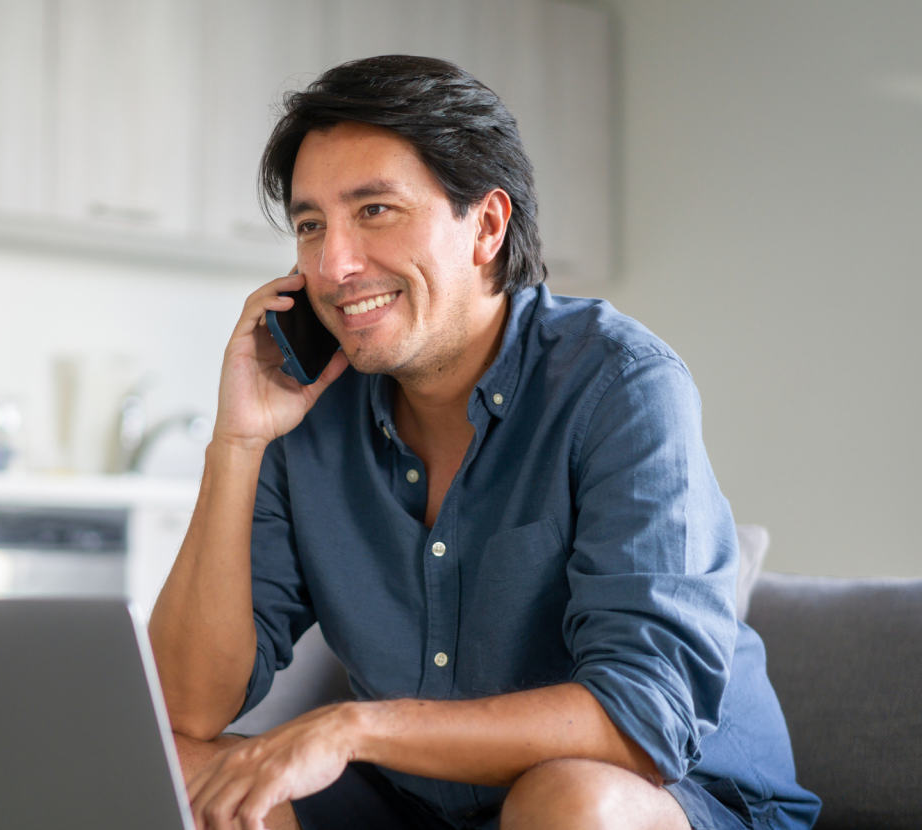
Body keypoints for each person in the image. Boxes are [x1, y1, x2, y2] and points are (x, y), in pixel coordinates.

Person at [146, 55, 820, 830]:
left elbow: (642, 722)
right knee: (188, 777)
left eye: (375, 211)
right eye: (310, 226)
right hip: (419, 802)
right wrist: (237, 443)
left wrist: (355, 726)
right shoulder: (310, 410)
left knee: (569, 802)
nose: (334, 266)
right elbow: (184, 710)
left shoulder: (621, 383)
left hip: (669, 798)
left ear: (488, 227)